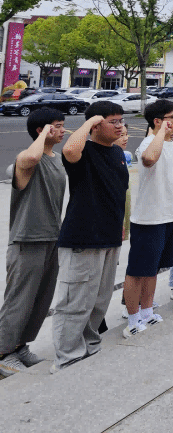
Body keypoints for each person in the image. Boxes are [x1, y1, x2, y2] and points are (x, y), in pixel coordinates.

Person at [51, 101, 130, 371]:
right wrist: (88, 122)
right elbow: (69, 150)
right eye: (113, 121)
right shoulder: (83, 150)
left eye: (121, 120)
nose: (120, 126)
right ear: (96, 125)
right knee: (75, 301)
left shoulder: (117, 153)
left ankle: (90, 347)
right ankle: (67, 357)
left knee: (99, 301)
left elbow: (118, 192)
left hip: (109, 237)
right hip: (83, 238)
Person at [0, 109, 67, 378]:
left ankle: (20, 346)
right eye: (57, 126)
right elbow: (30, 158)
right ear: (42, 130)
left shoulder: (56, 159)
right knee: (19, 299)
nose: (63, 130)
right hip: (27, 238)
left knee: (40, 300)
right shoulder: (25, 159)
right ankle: (3, 352)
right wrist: (42, 135)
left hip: (52, 236)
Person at [123, 100, 173, 338]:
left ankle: (147, 312)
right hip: (149, 219)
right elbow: (148, 159)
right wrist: (160, 133)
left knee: (153, 269)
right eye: (172, 117)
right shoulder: (149, 142)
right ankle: (132, 318)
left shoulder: (171, 145)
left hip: (168, 216)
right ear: (158, 121)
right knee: (138, 270)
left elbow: (171, 182)